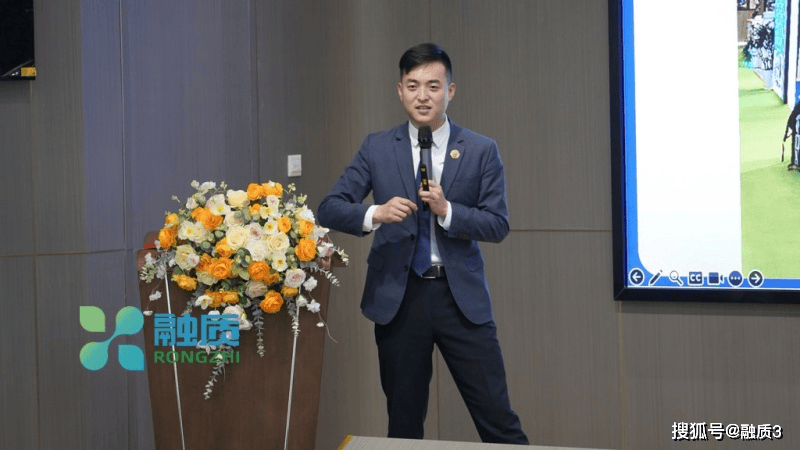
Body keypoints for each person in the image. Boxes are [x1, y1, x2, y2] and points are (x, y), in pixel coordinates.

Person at [318, 43, 528, 444]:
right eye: (413, 86)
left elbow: (498, 224)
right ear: (400, 91)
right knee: (404, 425)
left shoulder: (480, 149)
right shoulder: (377, 147)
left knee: (498, 420)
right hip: (399, 299)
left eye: (433, 86)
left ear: (450, 90)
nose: (422, 96)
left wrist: (449, 211)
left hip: (460, 299)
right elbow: (329, 208)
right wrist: (375, 213)